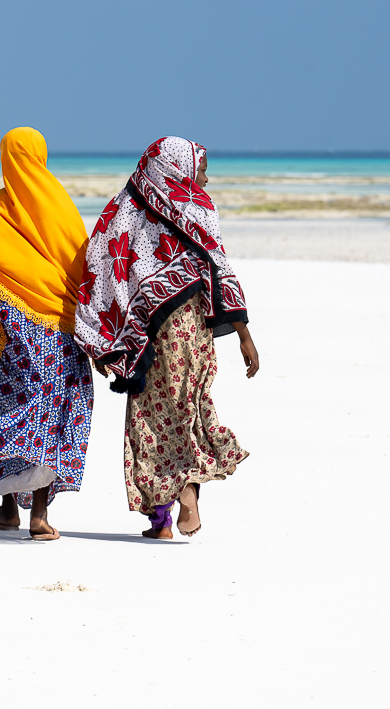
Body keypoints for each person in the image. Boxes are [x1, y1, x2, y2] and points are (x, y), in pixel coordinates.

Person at [75, 137, 258, 539]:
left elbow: (102, 265)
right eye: (202, 167)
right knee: (188, 405)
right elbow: (219, 266)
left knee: (149, 419)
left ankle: (162, 520)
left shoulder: (123, 207)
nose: (206, 177)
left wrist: (107, 334)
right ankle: (188, 495)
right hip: (189, 331)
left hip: (145, 336)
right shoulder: (198, 209)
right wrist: (244, 333)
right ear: (177, 166)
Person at [0, 127, 94, 541]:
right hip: (58, 333)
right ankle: (38, 514)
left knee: (4, 408)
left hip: (8, 336)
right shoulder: (61, 207)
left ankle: (6, 508)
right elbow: (81, 265)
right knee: (51, 414)